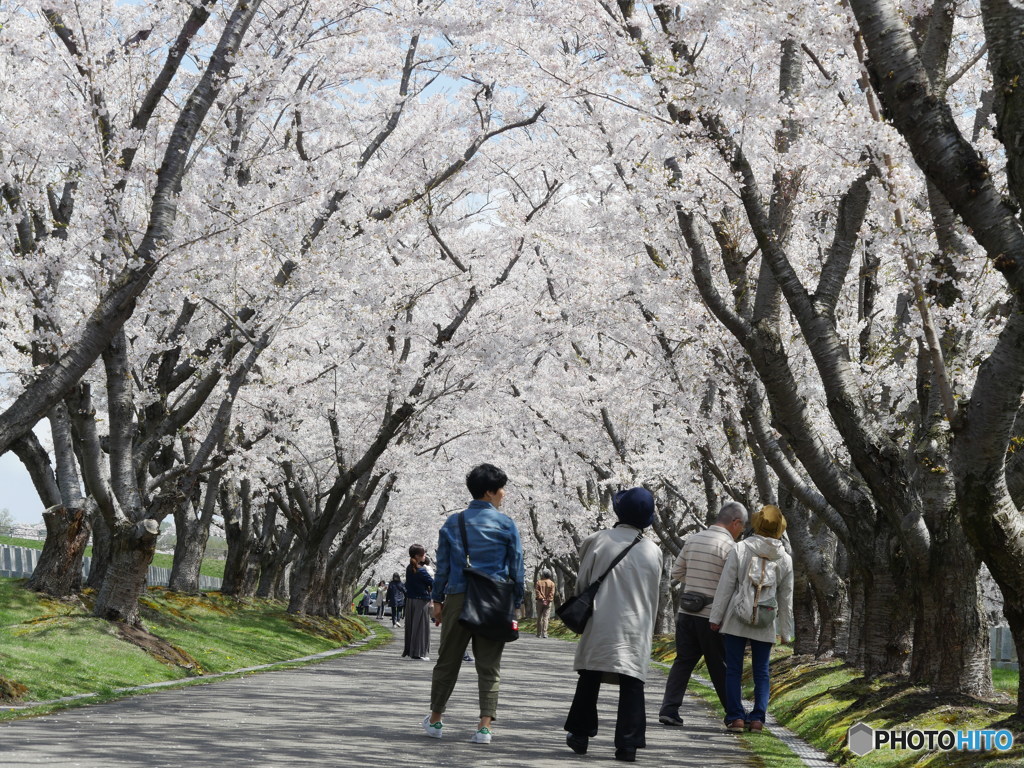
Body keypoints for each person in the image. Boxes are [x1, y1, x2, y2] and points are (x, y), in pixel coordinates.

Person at [422, 463, 525, 746]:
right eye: (502, 488)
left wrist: (437, 600)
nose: (504, 494)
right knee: (489, 665)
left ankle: (436, 719)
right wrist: (516, 602)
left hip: (457, 596)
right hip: (493, 601)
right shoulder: (506, 525)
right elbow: (516, 568)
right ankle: (484, 727)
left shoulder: (453, 523)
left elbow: (442, 566)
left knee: (447, 661)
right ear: (490, 492)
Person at [563, 487, 663, 763]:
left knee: (590, 676)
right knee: (632, 682)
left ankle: (580, 735)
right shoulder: (653, 550)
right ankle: (627, 746)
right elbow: (654, 592)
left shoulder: (597, 540)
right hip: (636, 624)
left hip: (601, 618)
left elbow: (582, 584)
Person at [658, 501, 748, 727]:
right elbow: (733, 583)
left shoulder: (693, 539)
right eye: (742, 527)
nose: (741, 532)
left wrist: (696, 586)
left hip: (686, 611)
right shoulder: (730, 547)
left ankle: (669, 709)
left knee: (683, 661)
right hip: (711, 615)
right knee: (719, 665)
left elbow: (677, 572)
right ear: (735, 522)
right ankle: (734, 715)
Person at [709, 504, 794, 734]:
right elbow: (786, 598)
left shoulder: (741, 549)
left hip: (737, 616)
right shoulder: (784, 558)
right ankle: (757, 718)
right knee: (761, 671)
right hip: (766, 621)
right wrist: (786, 632)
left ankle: (736, 717)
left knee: (733, 670)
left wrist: (716, 617)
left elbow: (726, 586)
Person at [403, 544, 434, 660]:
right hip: (421, 601)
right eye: (423, 554)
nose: (425, 556)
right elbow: (432, 583)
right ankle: (419, 652)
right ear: (417, 555)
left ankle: (412, 650)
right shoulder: (421, 570)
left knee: (412, 626)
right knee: (421, 627)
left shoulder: (409, 568)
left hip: (411, 600)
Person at [535, 569, 556, 638]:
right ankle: (544, 633)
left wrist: (542, 598)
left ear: (543, 575)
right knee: (546, 618)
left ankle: (538, 633)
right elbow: (552, 593)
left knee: (539, 617)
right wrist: (547, 600)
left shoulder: (539, 582)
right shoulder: (552, 583)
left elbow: (537, 592)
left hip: (540, 602)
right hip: (548, 602)